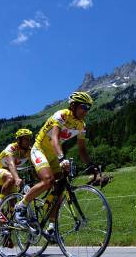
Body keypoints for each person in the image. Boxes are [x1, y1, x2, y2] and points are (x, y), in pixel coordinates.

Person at [14, 91, 98, 238]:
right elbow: (54, 138)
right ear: (73, 105)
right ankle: (21, 206)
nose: (86, 111)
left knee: (60, 188)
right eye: (84, 107)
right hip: (39, 149)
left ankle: (51, 226)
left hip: (53, 155)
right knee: (48, 180)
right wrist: (61, 158)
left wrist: (92, 165)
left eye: (88, 108)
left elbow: (82, 150)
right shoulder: (61, 115)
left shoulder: (81, 125)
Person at [0, 129, 33, 219]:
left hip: (8, 176)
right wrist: (17, 178)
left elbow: (33, 166)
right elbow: (11, 164)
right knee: (10, 177)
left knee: (13, 201)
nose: (28, 141)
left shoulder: (29, 152)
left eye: (29, 139)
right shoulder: (12, 148)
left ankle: (6, 226)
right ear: (19, 140)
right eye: (26, 139)